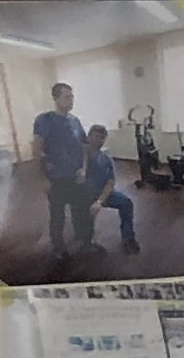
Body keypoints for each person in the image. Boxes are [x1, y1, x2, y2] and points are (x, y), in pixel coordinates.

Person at [28, 80, 89, 258]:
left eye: (72, 97)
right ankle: (58, 248)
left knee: (80, 211)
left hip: (76, 176)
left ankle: (84, 241)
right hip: (57, 177)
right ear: (55, 99)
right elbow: (37, 148)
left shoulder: (75, 121)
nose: (71, 100)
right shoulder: (44, 120)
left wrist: (84, 169)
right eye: (67, 97)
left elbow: (83, 147)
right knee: (58, 215)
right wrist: (42, 178)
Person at [77, 123, 141, 255]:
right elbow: (81, 162)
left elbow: (110, 183)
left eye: (101, 138)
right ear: (88, 137)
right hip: (82, 194)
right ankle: (87, 242)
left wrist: (99, 202)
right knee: (83, 207)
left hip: (100, 193)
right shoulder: (78, 154)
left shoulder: (106, 159)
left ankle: (128, 238)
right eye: (95, 137)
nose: (98, 140)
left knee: (126, 203)